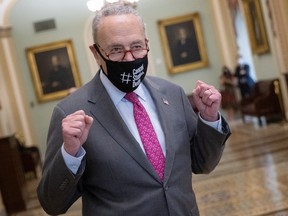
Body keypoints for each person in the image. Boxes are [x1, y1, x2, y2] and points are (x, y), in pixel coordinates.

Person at [37, 2, 231, 216]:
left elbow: (203, 163)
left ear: (147, 44)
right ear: (96, 53)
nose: (129, 58)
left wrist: (209, 118)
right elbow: (52, 204)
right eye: (116, 50)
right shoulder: (71, 112)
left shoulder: (173, 94)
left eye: (137, 46)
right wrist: (70, 154)